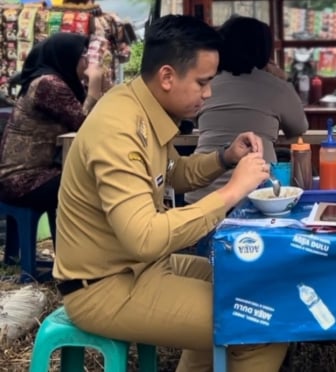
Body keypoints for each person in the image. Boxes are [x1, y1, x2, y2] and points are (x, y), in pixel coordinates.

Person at [53, 15, 285, 372]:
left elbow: (172, 174)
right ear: (167, 77)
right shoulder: (120, 128)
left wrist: (225, 157)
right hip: (105, 286)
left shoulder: (140, 108)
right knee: (261, 323)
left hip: (140, 268)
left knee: (242, 280)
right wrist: (232, 192)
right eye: (203, 82)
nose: (209, 93)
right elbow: (144, 237)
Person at [184, 16, 308, 205]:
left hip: (201, 194)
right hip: (256, 197)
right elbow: (299, 127)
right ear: (265, 50)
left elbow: (191, 119)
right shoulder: (275, 86)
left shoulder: (206, 84)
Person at [0, 32, 105, 232]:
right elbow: (86, 126)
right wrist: (94, 88)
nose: (86, 61)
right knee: (95, 183)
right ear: (67, 56)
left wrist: (99, 91)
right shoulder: (48, 84)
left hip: (36, 175)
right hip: (23, 181)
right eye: (83, 55)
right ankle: (77, 255)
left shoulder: (57, 82)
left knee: (95, 177)